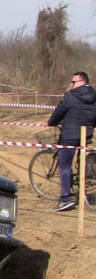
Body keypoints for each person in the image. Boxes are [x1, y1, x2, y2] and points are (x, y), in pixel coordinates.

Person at [47, 71, 96, 212]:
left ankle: (65, 199)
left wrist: (51, 123)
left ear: (81, 82)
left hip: (70, 135)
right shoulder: (94, 96)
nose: (71, 84)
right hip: (86, 135)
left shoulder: (70, 96)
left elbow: (59, 112)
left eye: (73, 82)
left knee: (64, 165)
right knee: (80, 161)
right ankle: (81, 183)